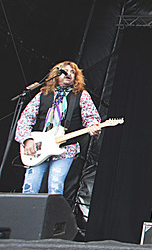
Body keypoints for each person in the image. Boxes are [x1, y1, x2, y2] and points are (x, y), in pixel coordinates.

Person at [15, 61, 101, 195]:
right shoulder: (42, 95)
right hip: (39, 147)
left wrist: (93, 127)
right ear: (56, 74)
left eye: (73, 72)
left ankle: (53, 215)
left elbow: (91, 117)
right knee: (30, 186)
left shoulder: (81, 96)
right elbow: (25, 119)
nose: (69, 74)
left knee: (55, 185)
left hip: (66, 148)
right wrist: (27, 140)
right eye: (65, 71)